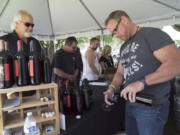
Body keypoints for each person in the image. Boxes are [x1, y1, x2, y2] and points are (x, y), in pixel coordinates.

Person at [103, 10, 180, 135]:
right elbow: (120, 73)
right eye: (112, 34)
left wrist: (142, 82)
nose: (115, 35)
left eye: (115, 30)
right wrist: (112, 88)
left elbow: (176, 63)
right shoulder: (123, 47)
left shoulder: (151, 34)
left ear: (124, 20)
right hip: (131, 104)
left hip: (151, 106)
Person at [0, 10, 41, 99]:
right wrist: (9, 93)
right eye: (27, 24)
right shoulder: (3, 41)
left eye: (32, 25)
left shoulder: (35, 42)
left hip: (36, 93)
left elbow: (41, 65)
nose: (31, 28)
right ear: (17, 23)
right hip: (13, 97)